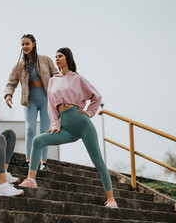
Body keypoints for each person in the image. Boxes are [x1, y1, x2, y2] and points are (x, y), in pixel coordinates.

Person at [19, 48, 118, 208]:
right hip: (65, 127)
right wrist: (55, 124)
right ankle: (31, 179)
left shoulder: (77, 78)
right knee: (38, 140)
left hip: (82, 123)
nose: (57, 59)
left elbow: (96, 96)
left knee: (98, 161)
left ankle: (111, 199)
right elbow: (51, 105)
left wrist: (89, 112)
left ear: (67, 58)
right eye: (55, 56)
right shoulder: (53, 80)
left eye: (60, 56)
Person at [4, 34, 58, 170]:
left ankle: (44, 163)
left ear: (34, 44)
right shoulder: (19, 65)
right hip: (30, 101)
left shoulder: (46, 60)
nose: (25, 47)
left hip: (46, 99)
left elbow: (57, 76)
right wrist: (8, 95)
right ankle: (29, 160)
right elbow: (11, 82)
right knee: (30, 129)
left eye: (27, 43)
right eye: (22, 44)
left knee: (45, 131)